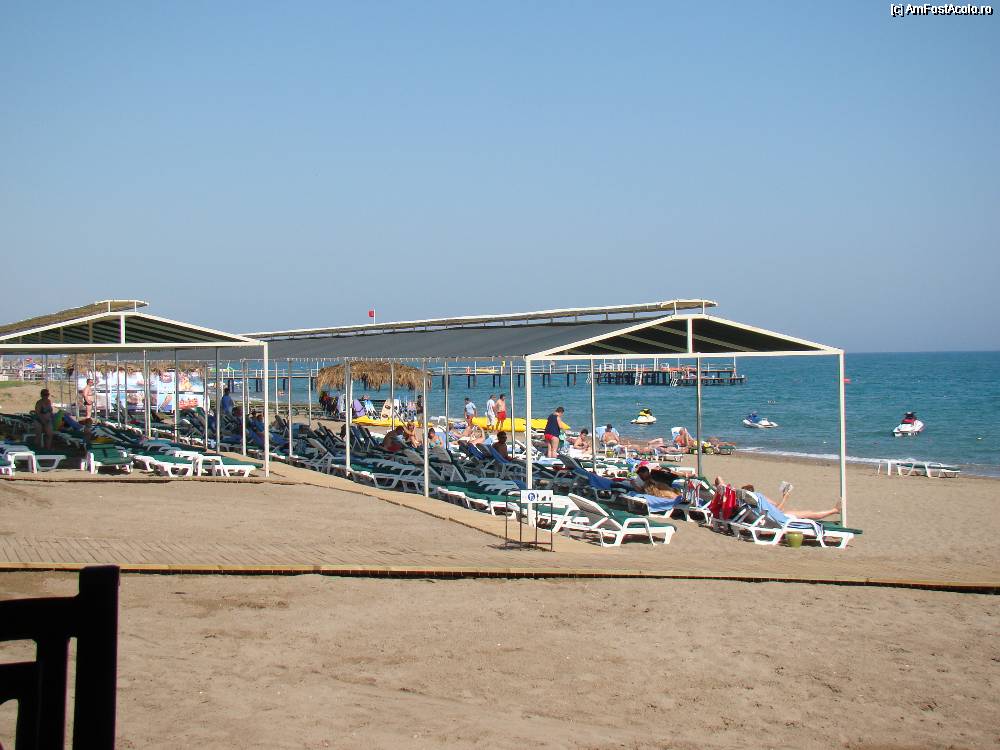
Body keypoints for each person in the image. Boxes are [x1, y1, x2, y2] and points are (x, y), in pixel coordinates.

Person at [714, 476, 842, 520]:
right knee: (809, 513)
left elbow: (719, 479)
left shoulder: (740, 501)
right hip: (776, 517)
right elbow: (777, 512)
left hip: (767, 514)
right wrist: (785, 498)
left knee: (801, 513)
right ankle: (835, 510)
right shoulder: (758, 498)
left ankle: (834, 510)